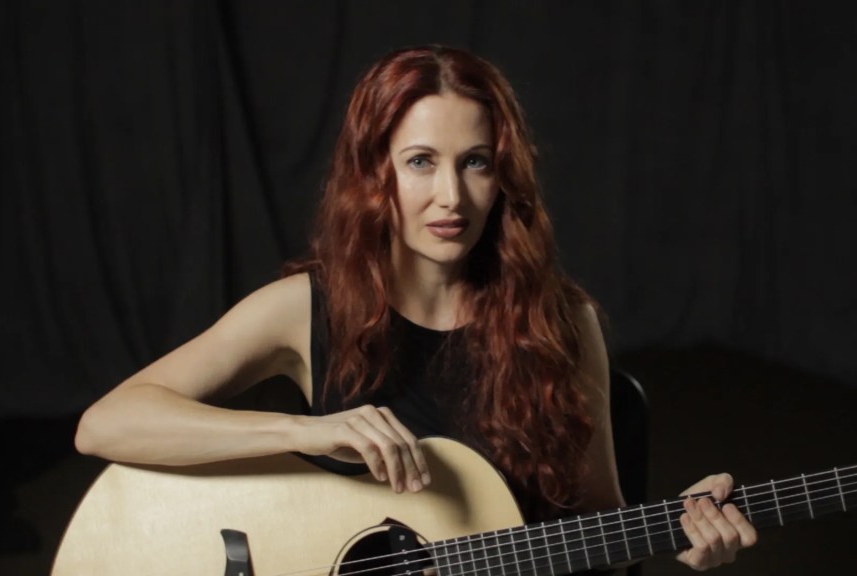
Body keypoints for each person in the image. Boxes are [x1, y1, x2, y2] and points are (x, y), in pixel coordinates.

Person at [75, 45, 757, 571]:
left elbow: (603, 529)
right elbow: (107, 424)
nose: (451, 199)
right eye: (421, 162)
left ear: (503, 177)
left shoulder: (563, 323)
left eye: (477, 163)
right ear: (377, 174)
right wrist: (299, 431)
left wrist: (677, 536)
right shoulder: (306, 309)